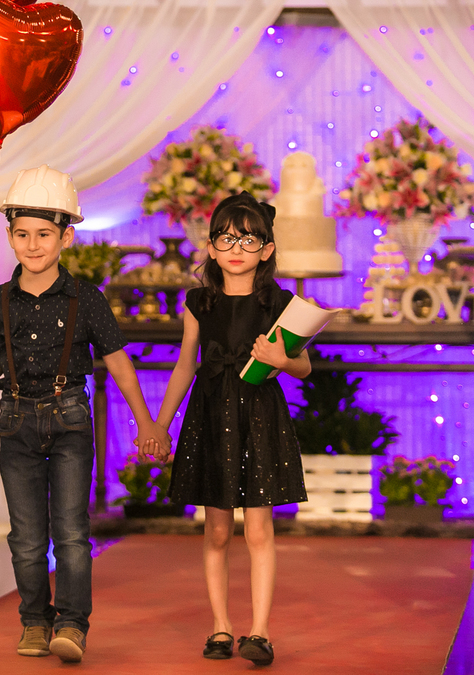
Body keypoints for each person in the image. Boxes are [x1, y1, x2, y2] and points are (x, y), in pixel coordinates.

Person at [0, 165, 168, 664]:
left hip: (70, 419)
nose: (33, 245)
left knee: (72, 533)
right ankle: (35, 620)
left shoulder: (86, 299)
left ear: (66, 237)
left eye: (44, 234)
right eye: (23, 234)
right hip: (16, 422)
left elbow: (119, 362)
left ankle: (72, 624)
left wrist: (146, 422)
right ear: (10, 236)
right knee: (26, 537)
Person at [144, 191, 311, 667]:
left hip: (259, 416)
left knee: (259, 528)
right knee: (216, 530)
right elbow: (185, 365)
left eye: (249, 239)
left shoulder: (280, 302)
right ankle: (220, 626)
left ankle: (260, 632)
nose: (237, 248)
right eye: (226, 238)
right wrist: (160, 422)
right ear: (211, 247)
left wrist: (282, 359)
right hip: (211, 415)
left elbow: (304, 367)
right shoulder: (199, 301)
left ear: (267, 249)